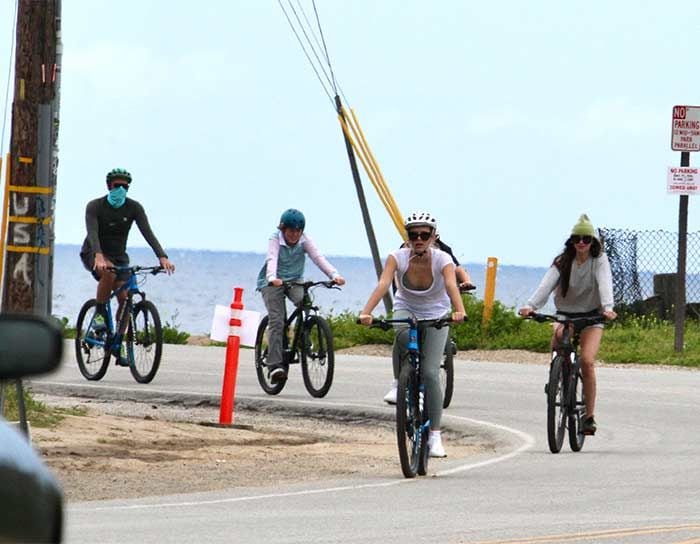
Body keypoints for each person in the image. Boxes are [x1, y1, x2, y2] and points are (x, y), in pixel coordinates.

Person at [359, 211, 466, 458]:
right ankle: (400, 382)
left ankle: (436, 436)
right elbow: (384, 284)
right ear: (407, 237)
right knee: (402, 334)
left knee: (430, 373)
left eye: (424, 234)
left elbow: (451, 285)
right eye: (413, 234)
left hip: (436, 312)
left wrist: (459, 310)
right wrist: (366, 312)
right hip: (405, 308)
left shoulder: (443, 259)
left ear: (433, 236)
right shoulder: (397, 257)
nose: (418, 239)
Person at [518, 214, 617, 436]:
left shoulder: (599, 260)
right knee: (558, 341)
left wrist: (608, 308)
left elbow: (605, 283)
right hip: (566, 314)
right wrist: (530, 306)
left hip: (592, 317)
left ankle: (588, 416)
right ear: (571, 242)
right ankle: (557, 379)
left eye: (586, 239)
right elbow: (545, 286)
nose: (581, 243)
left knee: (588, 362)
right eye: (577, 239)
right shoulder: (562, 261)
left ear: (593, 242)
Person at [80, 168, 175, 364]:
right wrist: (99, 256)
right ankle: (99, 315)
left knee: (125, 299)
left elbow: (147, 232)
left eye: (125, 186)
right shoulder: (95, 206)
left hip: (119, 256)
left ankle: (117, 342)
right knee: (107, 273)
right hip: (94, 252)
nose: (121, 190)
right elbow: (92, 233)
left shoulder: (134, 208)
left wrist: (162, 256)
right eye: (117, 186)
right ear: (109, 186)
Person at [256, 209, 346, 383]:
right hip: (272, 282)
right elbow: (271, 259)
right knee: (277, 320)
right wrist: (272, 278)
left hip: (295, 281)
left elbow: (318, 257)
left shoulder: (305, 240)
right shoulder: (275, 239)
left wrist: (334, 275)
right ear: (283, 229)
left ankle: (303, 338)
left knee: (306, 306)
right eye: (291, 231)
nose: (294, 235)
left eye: (298, 231)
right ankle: (275, 365)